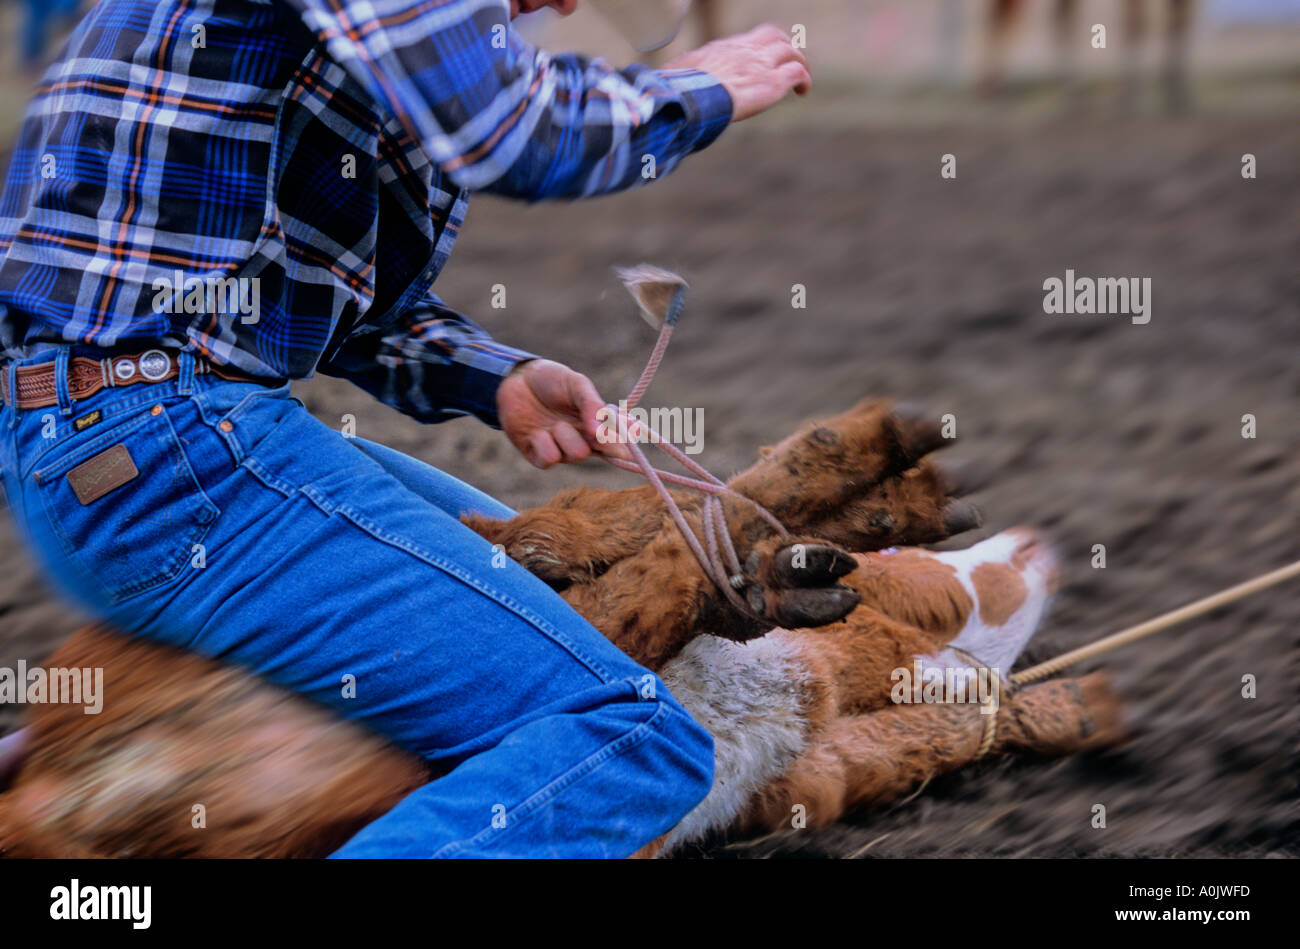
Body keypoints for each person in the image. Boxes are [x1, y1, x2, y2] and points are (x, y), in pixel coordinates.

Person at [0, 0, 810, 857]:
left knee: (544, 600)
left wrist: (496, 379)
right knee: (632, 736)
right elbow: (511, 131)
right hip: (185, 453)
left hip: (104, 446)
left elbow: (326, 302)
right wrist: (699, 90)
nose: (569, 6)